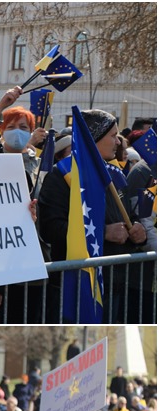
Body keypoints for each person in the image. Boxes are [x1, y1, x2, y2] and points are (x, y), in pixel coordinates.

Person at [38, 109, 150, 322]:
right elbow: (51, 228)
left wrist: (138, 232)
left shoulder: (115, 175)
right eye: (112, 135)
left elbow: (129, 217)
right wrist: (103, 232)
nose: (118, 142)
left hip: (113, 283)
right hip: (76, 287)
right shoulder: (61, 175)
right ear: (93, 139)